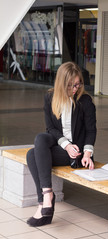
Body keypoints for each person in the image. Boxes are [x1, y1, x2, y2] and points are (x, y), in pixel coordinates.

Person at [26, 61, 97, 227]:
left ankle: (43, 203)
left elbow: (91, 130)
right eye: (70, 86)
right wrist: (66, 145)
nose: (75, 89)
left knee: (32, 154)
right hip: (61, 145)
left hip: (77, 153)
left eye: (78, 84)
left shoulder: (85, 101)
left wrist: (87, 153)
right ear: (61, 84)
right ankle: (47, 196)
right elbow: (50, 128)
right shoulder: (50, 98)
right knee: (40, 139)